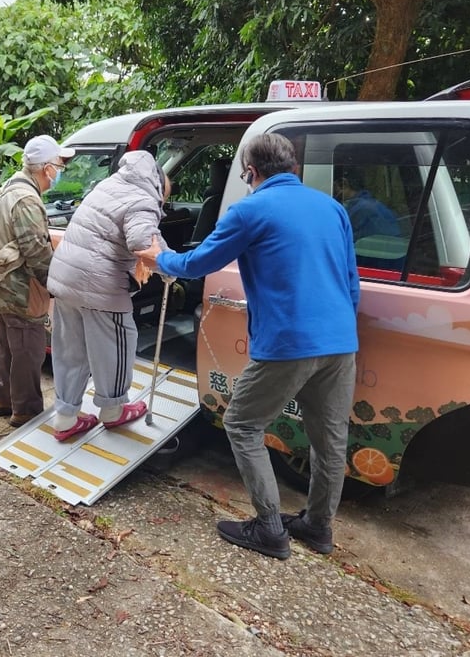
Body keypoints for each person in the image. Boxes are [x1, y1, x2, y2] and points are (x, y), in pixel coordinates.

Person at [136, 133, 359, 559]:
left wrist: (157, 257)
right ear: (294, 169)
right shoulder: (333, 209)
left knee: (241, 424)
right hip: (341, 342)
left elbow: (200, 263)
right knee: (330, 440)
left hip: (288, 343)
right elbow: (351, 283)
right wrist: (340, 332)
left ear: (251, 173)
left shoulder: (251, 210)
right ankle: (317, 527)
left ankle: (270, 529)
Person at [46, 150, 171, 441]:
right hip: (99, 286)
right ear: (156, 183)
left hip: (65, 279)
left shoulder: (109, 185)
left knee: (71, 350)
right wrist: (171, 268)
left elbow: (148, 234)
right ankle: (113, 411)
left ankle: (66, 418)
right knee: (117, 344)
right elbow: (144, 241)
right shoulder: (143, 199)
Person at [0, 134, 74, 428]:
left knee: (6, 346)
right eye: (60, 164)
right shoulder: (26, 199)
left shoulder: (12, 186)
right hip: (18, 290)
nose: (61, 169)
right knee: (27, 349)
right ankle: (25, 411)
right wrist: (56, 285)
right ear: (46, 168)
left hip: (0, 285)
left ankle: (3, 399)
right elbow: (35, 250)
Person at [332, 168, 401, 240]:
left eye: (334, 187)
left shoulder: (360, 210)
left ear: (343, 184)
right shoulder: (374, 204)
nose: (334, 194)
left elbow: (345, 240)